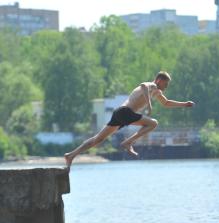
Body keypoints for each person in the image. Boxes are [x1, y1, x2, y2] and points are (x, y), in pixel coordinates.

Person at [64, 71, 194, 168]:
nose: (166, 87)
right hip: (125, 112)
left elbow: (166, 103)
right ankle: (128, 142)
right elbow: (143, 86)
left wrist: (184, 104)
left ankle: (71, 155)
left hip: (120, 113)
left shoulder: (157, 92)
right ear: (159, 80)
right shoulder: (152, 86)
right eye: (166, 84)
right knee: (153, 123)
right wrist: (149, 104)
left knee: (98, 139)